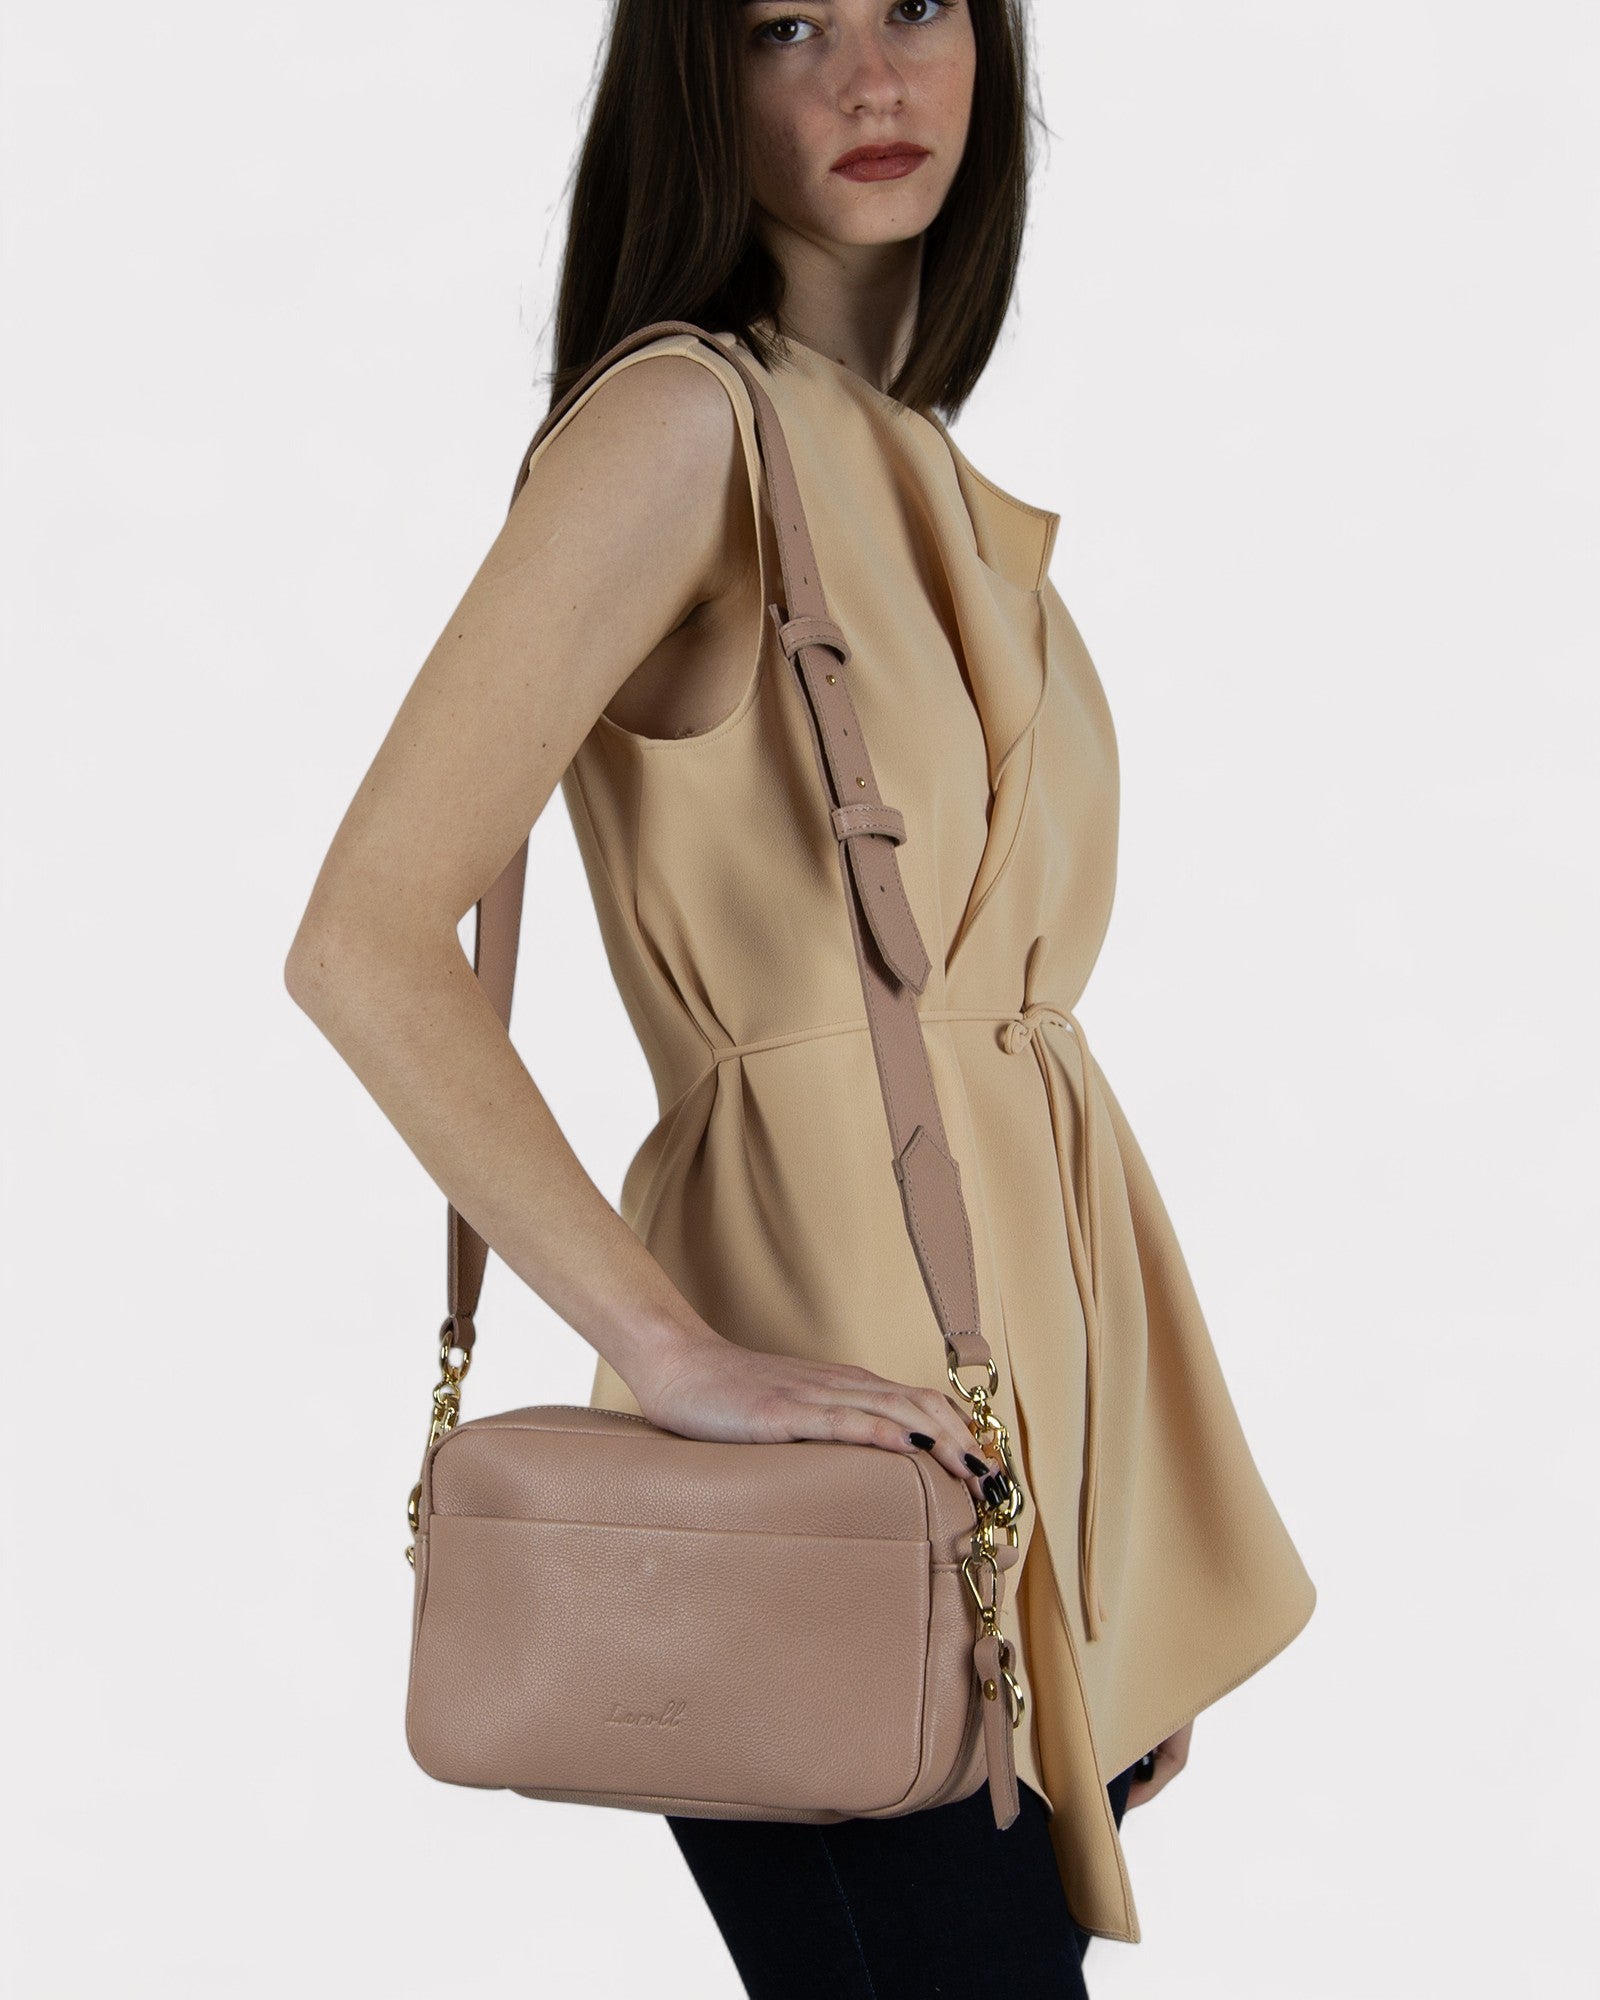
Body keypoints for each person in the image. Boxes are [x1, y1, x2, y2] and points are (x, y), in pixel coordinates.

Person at [284, 1, 1316, 1992]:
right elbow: (365, 937)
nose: (869, 75)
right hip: (810, 1491)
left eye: (917, 2)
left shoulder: (901, 463)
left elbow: (995, 1092)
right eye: (785, 24)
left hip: (975, 1483)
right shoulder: (678, 428)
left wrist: (1090, 1567)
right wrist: (671, 1356)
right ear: (698, 78)